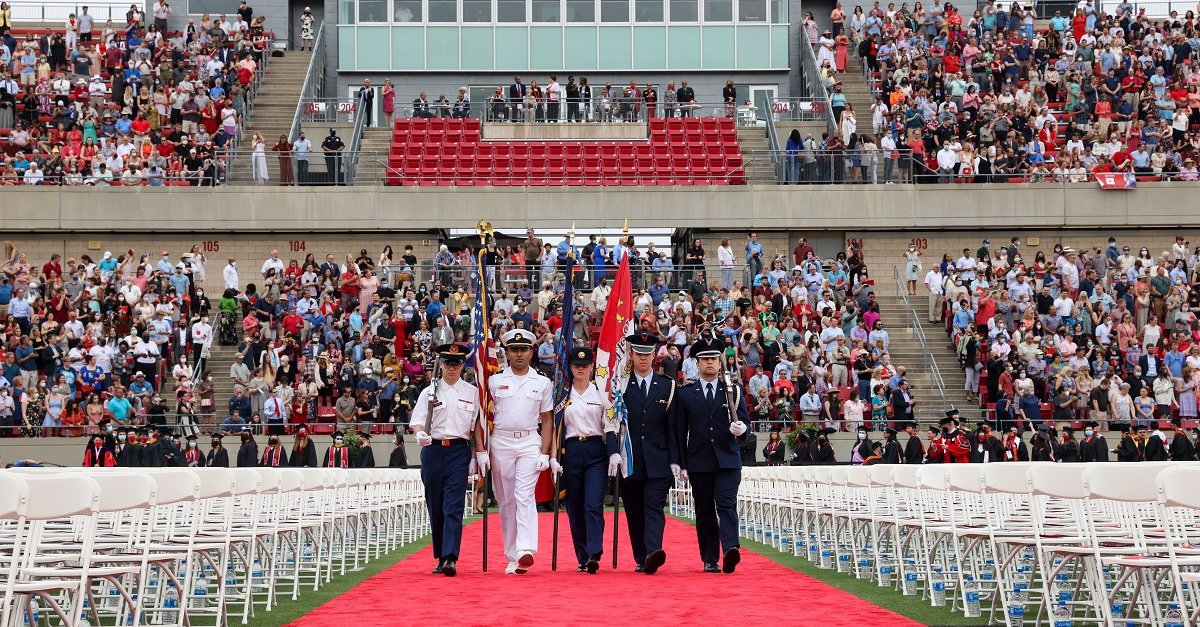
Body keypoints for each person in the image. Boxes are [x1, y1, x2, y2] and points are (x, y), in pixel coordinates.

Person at [674, 332, 748, 574]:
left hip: (727, 458)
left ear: (719, 363)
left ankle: (730, 550)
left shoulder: (733, 392)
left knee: (726, 504)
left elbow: (745, 425)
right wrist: (681, 463)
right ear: (697, 363)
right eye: (704, 359)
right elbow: (679, 431)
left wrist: (742, 429)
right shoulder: (685, 394)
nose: (709, 363)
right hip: (699, 461)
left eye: (713, 359)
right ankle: (709, 558)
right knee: (704, 510)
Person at [409, 343, 480, 576]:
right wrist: (420, 433)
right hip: (433, 450)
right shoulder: (429, 391)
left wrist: (476, 455)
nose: (452, 368)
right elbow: (418, 420)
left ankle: (450, 557)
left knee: (453, 506)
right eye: (448, 363)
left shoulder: (472, 392)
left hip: (458, 451)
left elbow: (475, 428)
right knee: (436, 505)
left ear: (463, 365)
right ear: (441, 364)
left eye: (457, 363)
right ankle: (440, 554)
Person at [488, 328, 554, 575]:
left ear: (531, 351)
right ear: (506, 353)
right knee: (506, 500)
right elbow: (485, 416)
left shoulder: (542, 382)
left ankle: (526, 549)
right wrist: (481, 450)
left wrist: (545, 452)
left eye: (523, 350)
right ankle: (512, 555)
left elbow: (547, 419)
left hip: (529, 441)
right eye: (513, 350)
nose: (519, 354)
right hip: (501, 442)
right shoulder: (494, 381)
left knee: (523, 494)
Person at [619, 331, 678, 574]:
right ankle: (641, 556)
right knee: (634, 510)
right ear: (631, 354)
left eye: (648, 354)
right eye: (638, 353)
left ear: (655, 355)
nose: (643, 359)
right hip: (630, 460)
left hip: (658, 460)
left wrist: (675, 460)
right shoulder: (620, 386)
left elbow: (673, 428)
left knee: (653, 506)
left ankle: (654, 551)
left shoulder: (667, 386)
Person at [553, 346, 615, 574]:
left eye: (585, 365)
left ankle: (594, 552)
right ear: (570, 367)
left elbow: (609, 424)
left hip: (594, 451)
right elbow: (555, 427)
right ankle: (583, 556)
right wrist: (552, 457)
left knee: (593, 504)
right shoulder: (562, 394)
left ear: (591, 367)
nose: (580, 369)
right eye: (576, 365)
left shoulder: (600, 393)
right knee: (575, 507)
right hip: (570, 452)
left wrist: (613, 452)